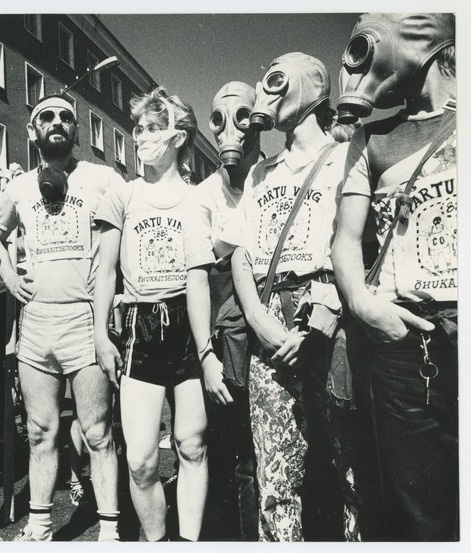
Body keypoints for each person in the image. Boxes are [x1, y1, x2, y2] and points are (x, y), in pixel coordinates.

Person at [220, 52, 357, 541]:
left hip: (331, 316)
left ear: (312, 87)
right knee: (275, 476)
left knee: (351, 471)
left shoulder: (348, 156)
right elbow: (240, 254)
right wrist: (258, 318)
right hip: (270, 316)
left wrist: (326, 311)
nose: (265, 90)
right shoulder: (260, 174)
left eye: (276, 79)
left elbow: (362, 241)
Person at [332, 13, 457, 541]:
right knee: (418, 507)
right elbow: (343, 238)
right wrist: (365, 305)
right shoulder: (372, 138)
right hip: (410, 345)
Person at [0, 94, 123, 542]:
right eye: (46, 116)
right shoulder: (18, 188)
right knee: (41, 430)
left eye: (67, 116)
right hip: (37, 324)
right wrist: (7, 272)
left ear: (77, 132)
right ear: (32, 131)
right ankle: (41, 526)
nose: (57, 121)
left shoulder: (104, 178)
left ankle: (110, 533)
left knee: (98, 432)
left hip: (86, 321)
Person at [94, 87, 208, 542]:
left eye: (153, 128)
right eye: (137, 128)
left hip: (188, 321)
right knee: (141, 460)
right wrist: (102, 334)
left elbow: (203, 276)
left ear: (178, 136)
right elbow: (103, 271)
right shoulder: (123, 195)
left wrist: (207, 348)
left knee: (191, 444)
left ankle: (188, 543)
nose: (140, 136)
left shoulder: (199, 198)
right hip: (140, 326)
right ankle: (156, 540)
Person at [185, 81, 261, 541]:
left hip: (277, 329)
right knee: (237, 451)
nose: (230, 129)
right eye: (219, 118)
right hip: (229, 339)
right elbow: (201, 267)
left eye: (243, 116)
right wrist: (206, 356)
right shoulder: (204, 196)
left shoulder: (279, 176)